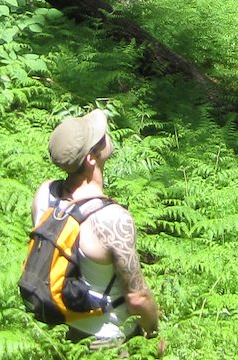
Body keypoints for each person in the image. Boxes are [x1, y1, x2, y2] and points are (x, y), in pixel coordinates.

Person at [33, 109, 161, 346]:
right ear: (91, 158)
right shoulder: (112, 218)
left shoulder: (45, 194)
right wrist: (153, 333)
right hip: (107, 343)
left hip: (62, 335)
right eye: (100, 137)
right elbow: (137, 297)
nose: (106, 135)